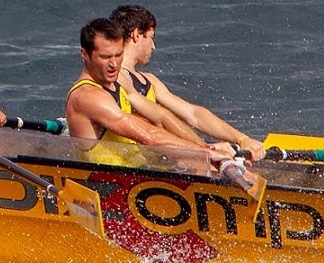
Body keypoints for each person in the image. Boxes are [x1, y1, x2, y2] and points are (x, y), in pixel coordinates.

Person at [66, 17, 235, 167]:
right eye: (105, 57)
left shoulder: (116, 84)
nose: (114, 64)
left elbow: (159, 121)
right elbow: (149, 136)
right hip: (106, 183)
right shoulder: (88, 96)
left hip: (139, 172)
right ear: (85, 55)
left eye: (118, 55)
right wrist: (206, 153)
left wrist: (205, 148)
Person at [108, 4, 265, 160]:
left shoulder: (149, 80)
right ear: (136, 35)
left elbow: (193, 114)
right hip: (127, 164)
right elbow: (153, 124)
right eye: (151, 37)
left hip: (152, 159)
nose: (153, 47)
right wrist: (207, 149)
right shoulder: (112, 78)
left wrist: (242, 139)